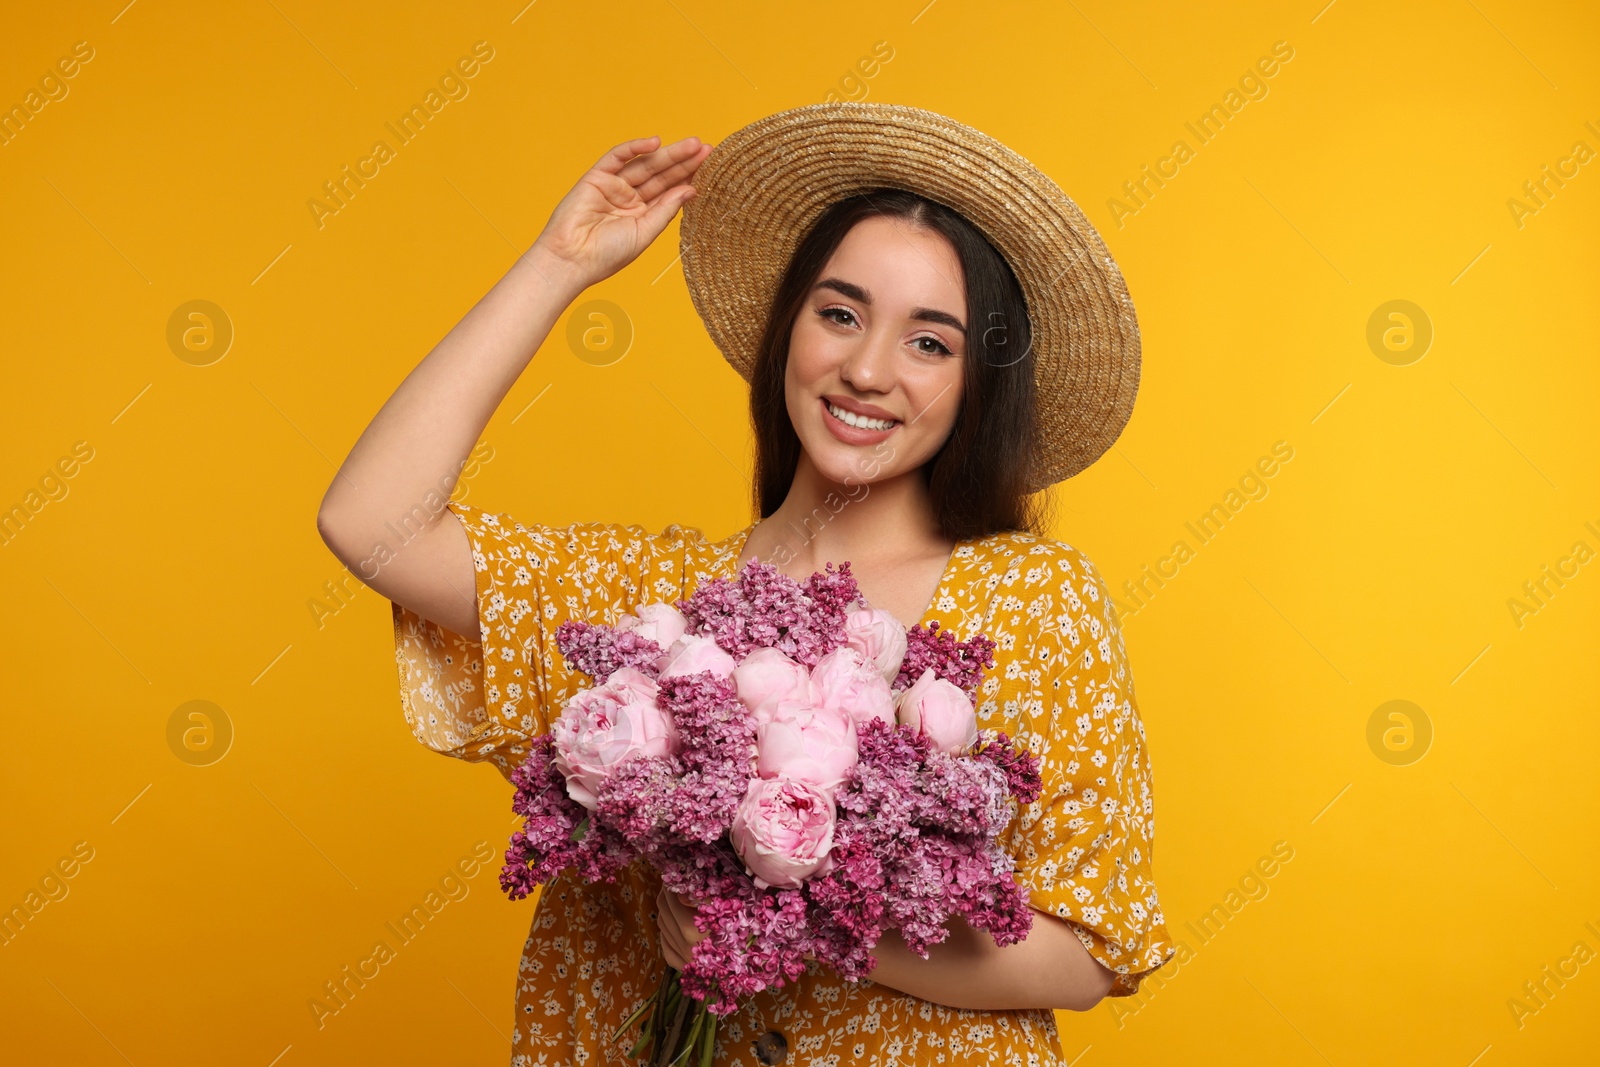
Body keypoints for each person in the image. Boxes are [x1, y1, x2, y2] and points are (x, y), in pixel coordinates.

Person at [318, 102, 1174, 1065]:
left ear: (979, 382)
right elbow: (370, 521)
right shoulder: (650, 604)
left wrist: (793, 924)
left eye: (929, 342)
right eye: (839, 314)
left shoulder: (1031, 601)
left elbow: (1085, 951)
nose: (865, 369)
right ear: (786, 331)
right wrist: (560, 266)